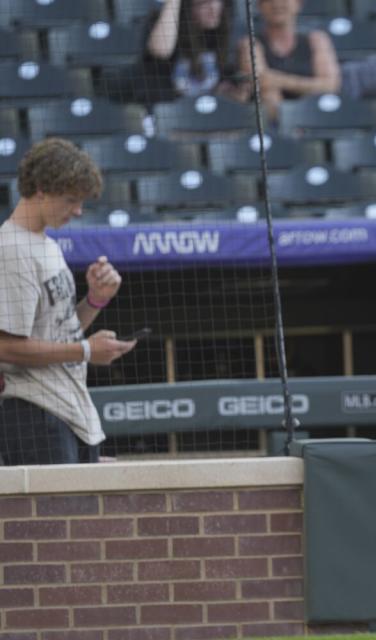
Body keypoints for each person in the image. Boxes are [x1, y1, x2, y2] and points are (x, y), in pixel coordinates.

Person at [0, 139, 136, 466]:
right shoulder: (12, 249)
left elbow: (55, 331)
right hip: (35, 412)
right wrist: (87, 351)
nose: (78, 210)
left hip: (69, 410)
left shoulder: (45, 243)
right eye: (71, 200)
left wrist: (94, 300)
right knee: (55, 517)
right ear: (41, 190)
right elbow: (5, 347)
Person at [237, 0, 376, 120]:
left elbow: (330, 85)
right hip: (279, 118)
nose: (277, 4)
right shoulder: (251, 43)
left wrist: (278, 80)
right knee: (269, 96)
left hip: (319, 112)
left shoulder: (316, 39)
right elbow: (261, 83)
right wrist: (307, 84)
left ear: (298, 4)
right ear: (259, 6)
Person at [102, 0, 244, 105]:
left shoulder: (219, 35)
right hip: (165, 114)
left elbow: (220, 80)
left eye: (217, 1)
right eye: (204, 3)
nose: (214, 9)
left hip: (203, 119)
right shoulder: (164, 25)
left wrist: (225, 93)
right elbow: (160, 50)